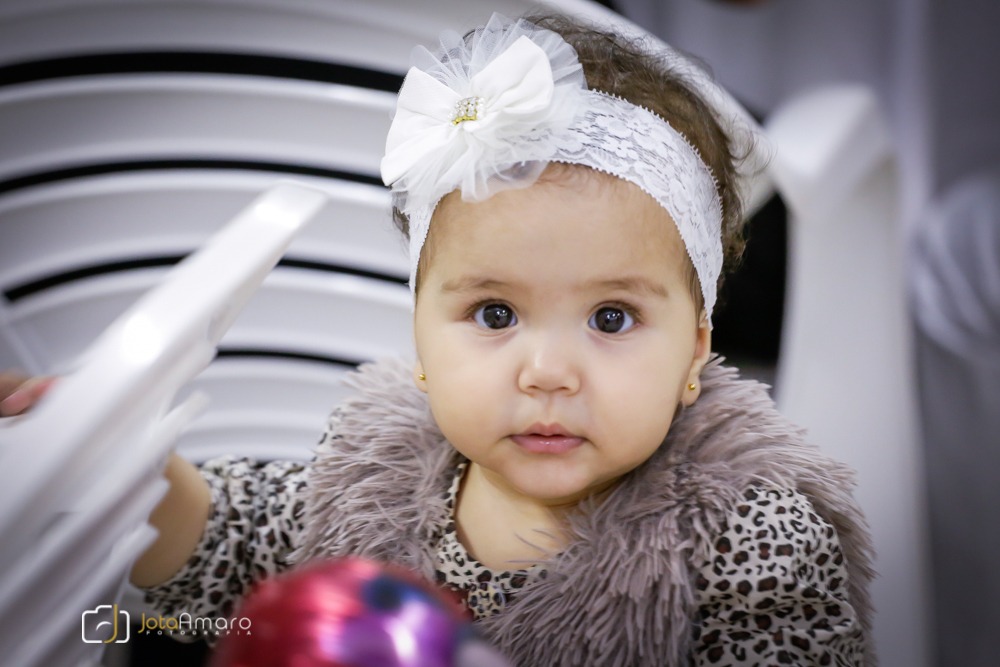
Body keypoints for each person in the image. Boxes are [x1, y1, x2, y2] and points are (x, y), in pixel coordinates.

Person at [0, 13, 875, 666]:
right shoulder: (371, 481)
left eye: (611, 318)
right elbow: (224, 551)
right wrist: (121, 455)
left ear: (694, 353)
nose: (546, 372)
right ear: (419, 338)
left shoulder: (749, 544)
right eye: (495, 314)